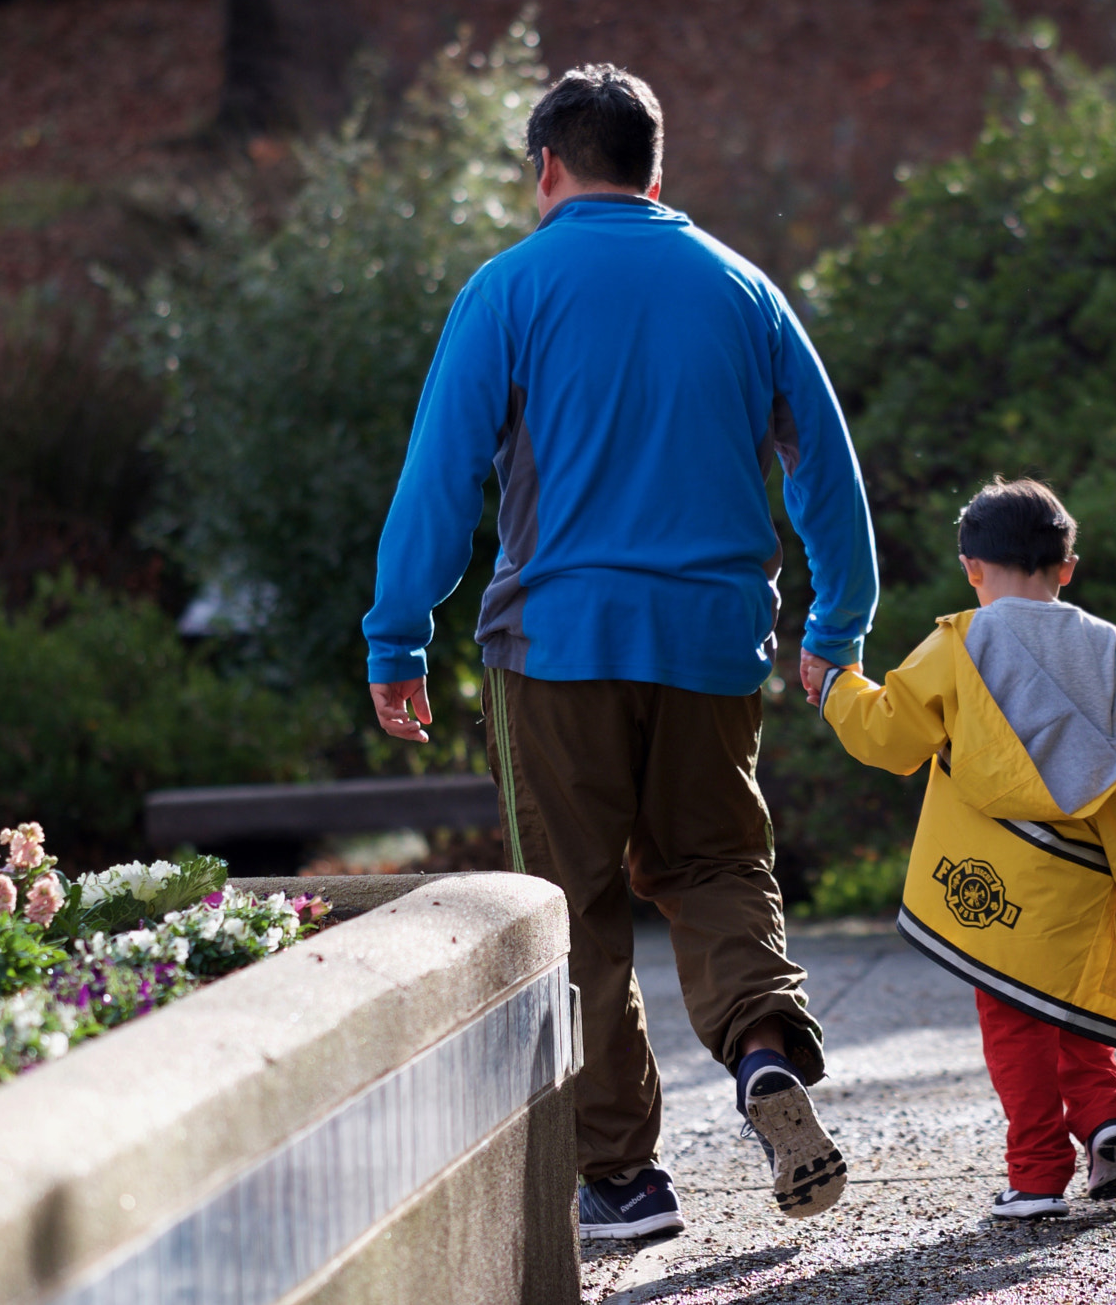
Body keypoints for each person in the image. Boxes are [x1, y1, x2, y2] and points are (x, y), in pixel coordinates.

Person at [363, 64, 878, 1239]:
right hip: (712, 645)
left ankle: (622, 1180)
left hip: (555, 647)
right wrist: (833, 628)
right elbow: (830, 480)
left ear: (545, 166)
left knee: (573, 903)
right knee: (712, 863)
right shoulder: (745, 290)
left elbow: (439, 482)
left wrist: (397, 635)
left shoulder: (507, 288)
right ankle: (758, 1049)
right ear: (657, 166)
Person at [803, 477, 1116, 1219]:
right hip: (1093, 866)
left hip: (1003, 870)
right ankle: (1104, 1120)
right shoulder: (1105, 641)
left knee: (1016, 1019)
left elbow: (892, 734)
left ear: (971, 566)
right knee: (1078, 999)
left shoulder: (964, 639)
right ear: (1067, 567)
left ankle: (1034, 1174)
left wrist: (838, 686)